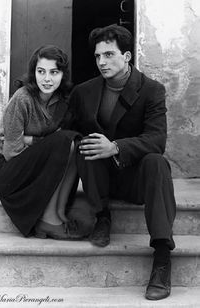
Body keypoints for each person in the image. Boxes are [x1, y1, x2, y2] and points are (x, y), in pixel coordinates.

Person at [69, 24, 176, 300]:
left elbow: (156, 140)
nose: (101, 62)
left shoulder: (152, 90)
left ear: (127, 56)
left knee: (157, 162)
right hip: (99, 178)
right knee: (85, 143)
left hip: (135, 178)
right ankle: (102, 216)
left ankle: (162, 256)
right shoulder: (84, 91)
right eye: (97, 56)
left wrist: (115, 147)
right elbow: (64, 128)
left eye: (109, 55)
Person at [0, 45, 84, 240]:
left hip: (25, 159)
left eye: (54, 72)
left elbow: (57, 142)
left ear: (63, 75)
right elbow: (11, 153)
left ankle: (59, 212)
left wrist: (30, 140)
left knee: (75, 144)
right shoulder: (22, 99)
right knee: (63, 142)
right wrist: (41, 145)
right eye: (41, 71)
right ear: (34, 73)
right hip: (4, 169)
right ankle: (48, 220)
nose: (47, 79)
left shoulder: (63, 101)